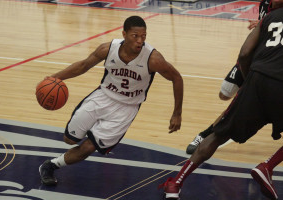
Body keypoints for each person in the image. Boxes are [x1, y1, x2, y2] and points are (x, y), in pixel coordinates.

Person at [38, 16, 183, 186]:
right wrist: (53, 78)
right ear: (124, 34)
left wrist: (177, 113)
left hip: (126, 108)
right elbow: (83, 66)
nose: (140, 41)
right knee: (69, 140)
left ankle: (50, 166)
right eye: (135, 36)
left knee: (88, 148)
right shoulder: (108, 49)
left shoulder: (153, 59)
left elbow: (177, 78)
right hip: (102, 97)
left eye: (143, 36)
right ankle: (91, 129)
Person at [160, 2, 283, 200]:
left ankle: (176, 183)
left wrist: (248, 81)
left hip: (256, 78)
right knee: (224, 93)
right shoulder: (267, 12)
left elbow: (244, 53)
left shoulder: (269, 17)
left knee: (218, 135)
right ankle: (267, 167)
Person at [186, 0, 271, 155]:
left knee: (238, 102)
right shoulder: (264, 3)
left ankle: (204, 135)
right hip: (250, 56)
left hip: (267, 63)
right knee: (224, 93)